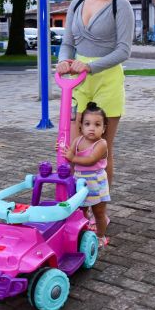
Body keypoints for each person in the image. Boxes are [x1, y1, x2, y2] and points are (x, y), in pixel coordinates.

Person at [56, 0, 135, 188]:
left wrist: (89, 67)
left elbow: (124, 51)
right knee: (72, 147)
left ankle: (99, 208)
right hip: (78, 82)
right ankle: (74, 205)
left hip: (106, 81)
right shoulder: (76, 3)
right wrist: (63, 62)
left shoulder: (120, 6)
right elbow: (68, 43)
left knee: (101, 150)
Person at [61, 102, 110, 246]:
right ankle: (83, 233)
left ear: (104, 128)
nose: (92, 128)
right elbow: (68, 154)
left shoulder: (101, 144)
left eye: (97, 125)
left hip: (96, 182)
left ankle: (101, 236)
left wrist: (73, 158)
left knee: (99, 212)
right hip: (80, 183)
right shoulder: (78, 140)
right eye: (88, 124)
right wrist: (61, 148)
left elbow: (90, 160)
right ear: (81, 126)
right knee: (81, 210)